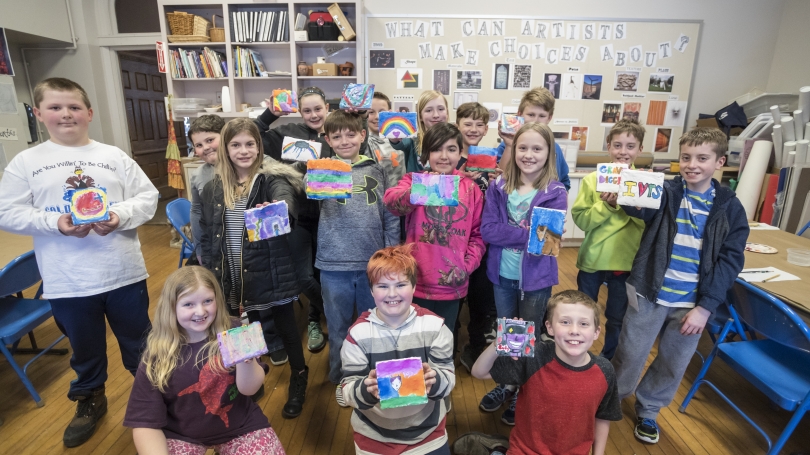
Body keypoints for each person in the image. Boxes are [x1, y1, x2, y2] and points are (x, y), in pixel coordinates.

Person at [0, 77, 157, 447]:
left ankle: (154, 395)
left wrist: (117, 216)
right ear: (39, 114)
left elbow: (147, 198)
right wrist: (54, 223)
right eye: (55, 107)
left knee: (141, 343)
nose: (65, 114)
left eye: (73, 107)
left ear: (89, 113)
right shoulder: (26, 162)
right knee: (84, 347)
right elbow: (7, 211)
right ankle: (89, 398)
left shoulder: (114, 156)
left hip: (123, 273)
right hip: (68, 279)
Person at [611, 128, 748, 444]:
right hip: (648, 290)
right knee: (630, 351)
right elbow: (640, 209)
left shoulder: (730, 207)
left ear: (719, 162)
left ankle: (649, 410)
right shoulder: (667, 191)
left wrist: (705, 307)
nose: (692, 164)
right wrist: (624, 195)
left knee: (674, 361)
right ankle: (612, 398)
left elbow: (731, 260)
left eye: (702, 158)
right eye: (686, 157)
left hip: (693, 305)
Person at [198, 118, 308, 418]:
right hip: (232, 271)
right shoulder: (214, 187)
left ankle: (299, 376)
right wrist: (209, 272)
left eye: (250, 144)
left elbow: (286, 204)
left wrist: (278, 211)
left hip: (269, 269)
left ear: (259, 147)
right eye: (236, 145)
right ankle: (252, 376)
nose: (243, 150)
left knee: (285, 328)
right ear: (225, 148)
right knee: (248, 326)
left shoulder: (270, 179)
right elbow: (208, 234)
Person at [124, 266, 285, 455]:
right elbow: (145, 422)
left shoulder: (235, 331)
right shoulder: (158, 354)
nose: (200, 311)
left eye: (208, 301)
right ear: (171, 307)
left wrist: (246, 361)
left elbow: (250, 389)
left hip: (241, 427)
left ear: (217, 299)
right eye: (188, 304)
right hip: (179, 434)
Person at [478, 123, 567, 425]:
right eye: (523, 148)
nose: (529, 155)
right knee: (507, 332)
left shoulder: (555, 191)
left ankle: (522, 389)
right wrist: (527, 234)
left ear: (548, 153)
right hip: (502, 274)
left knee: (527, 333)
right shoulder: (498, 187)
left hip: (536, 278)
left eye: (537, 148)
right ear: (513, 150)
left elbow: (546, 244)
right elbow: (488, 230)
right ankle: (507, 383)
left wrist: (523, 235)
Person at [470, 290, 621, 455]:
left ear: (596, 332)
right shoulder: (535, 357)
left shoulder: (605, 371)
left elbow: (603, 416)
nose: (574, 330)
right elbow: (479, 372)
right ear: (549, 327)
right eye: (565, 322)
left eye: (584, 324)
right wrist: (498, 343)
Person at [339, 245, 455, 454]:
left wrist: (435, 380)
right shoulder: (357, 335)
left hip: (428, 434)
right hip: (373, 437)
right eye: (382, 286)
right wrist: (366, 389)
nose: (392, 294)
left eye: (400, 284)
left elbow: (448, 379)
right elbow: (347, 390)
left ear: (413, 286)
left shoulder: (435, 327)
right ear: (371, 291)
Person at [315, 110, 400, 390]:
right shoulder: (320, 171)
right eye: (336, 136)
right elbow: (308, 199)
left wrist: (390, 254)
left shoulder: (377, 168)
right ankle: (341, 378)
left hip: (371, 263)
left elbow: (390, 213)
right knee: (337, 327)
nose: (344, 141)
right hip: (333, 263)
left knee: (372, 324)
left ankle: (370, 377)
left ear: (363, 135)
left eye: (351, 134)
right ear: (327, 140)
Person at [384, 122, 485, 339]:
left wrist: (465, 266)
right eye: (436, 149)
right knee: (414, 339)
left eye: (451, 149)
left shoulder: (470, 189)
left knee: (445, 340)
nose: (443, 156)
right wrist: (426, 186)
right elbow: (392, 202)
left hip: (452, 282)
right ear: (426, 153)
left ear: (460, 153)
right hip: (415, 279)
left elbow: (478, 234)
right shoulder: (414, 180)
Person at [253, 86, 335, 353]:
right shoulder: (287, 134)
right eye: (307, 110)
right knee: (303, 277)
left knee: (324, 274)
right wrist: (270, 114)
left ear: (327, 109)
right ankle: (333, 317)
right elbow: (249, 134)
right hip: (297, 217)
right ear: (300, 112)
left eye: (318, 109)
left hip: (330, 216)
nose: (313, 115)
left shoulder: (336, 134)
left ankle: (316, 321)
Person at [572, 119, 646, 360]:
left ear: (640, 150)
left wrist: (625, 205)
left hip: (624, 263)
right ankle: (577, 355)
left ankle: (609, 361)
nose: (623, 152)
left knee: (617, 317)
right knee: (583, 313)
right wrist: (606, 206)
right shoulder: (592, 180)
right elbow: (582, 221)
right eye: (617, 145)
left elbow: (647, 224)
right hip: (593, 258)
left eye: (630, 146)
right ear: (608, 146)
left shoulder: (644, 183)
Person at [454, 102, 498, 375]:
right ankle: (449, 344)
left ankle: (476, 344)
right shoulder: (449, 157)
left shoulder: (492, 158)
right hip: (455, 238)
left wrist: (497, 183)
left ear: (486, 129)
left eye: (479, 124)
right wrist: (461, 176)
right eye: (467, 123)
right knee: (454, 297)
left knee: (482, 297)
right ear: (457, 124)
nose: (473, 129)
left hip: (483, 240)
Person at [495, 87, 570, 190]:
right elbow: (499, 181)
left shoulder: (554, 148)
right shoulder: (506, 145)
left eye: (542, 116)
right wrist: (509, 146)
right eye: (531, 114)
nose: (535, 120)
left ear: (549, 118)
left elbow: (564, 181)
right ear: (520, 114)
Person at [188, 115, 225, 263]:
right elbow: (196, 211)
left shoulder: (245, 164)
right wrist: (199, 250)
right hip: (214, 246)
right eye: (199, 145)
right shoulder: (198, 175)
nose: (206, 148)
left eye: (210, 140)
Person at [390, 90, 449, 173]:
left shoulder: (453, 139)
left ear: (447, 113)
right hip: (417, 185)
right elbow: (398, 144)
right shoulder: (413, 139)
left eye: (440, 109)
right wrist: (395, 136)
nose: (436, 115)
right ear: (420, 116)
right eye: (428, 110)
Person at [366, 91, 406, 188]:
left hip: (400, 197)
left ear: (390, 112)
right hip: (376, 197)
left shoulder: (402, 139)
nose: (377, 117)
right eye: (371, 112)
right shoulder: (364, 142)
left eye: (382, 112)